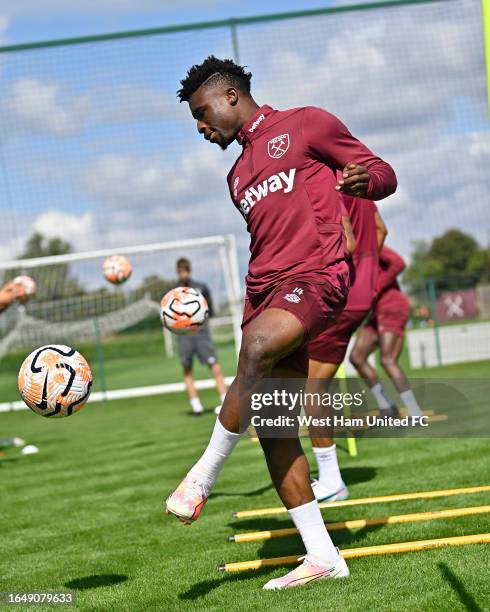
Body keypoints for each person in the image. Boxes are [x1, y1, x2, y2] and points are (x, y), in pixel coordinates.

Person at [165, 56, 396, 590]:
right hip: (264, 291)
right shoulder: (236, 174)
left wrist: (366, 182)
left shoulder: (307, 122)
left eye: (202, 114)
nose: (201, 127)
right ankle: (322, 556)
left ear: (229, 97)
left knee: (255, 349)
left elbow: (384, 172)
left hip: (317, 277)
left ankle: (203, 476)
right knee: (273, 429)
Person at [305, 195, 388, 502]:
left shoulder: (327, 183)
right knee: (314, 385)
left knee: (310, 388)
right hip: (363, 295)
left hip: (343, 296)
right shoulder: (360, 189)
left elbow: (346, 242)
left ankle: (331, 481)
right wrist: (365, 275)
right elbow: (380, 230)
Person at [349, 246, 423, 418]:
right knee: (357, 357)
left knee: (388, 360)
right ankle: (387, 407)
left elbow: (398, 263)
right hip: (376, 313)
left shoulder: (370, 245)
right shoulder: (345, 255)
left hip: (392, 307)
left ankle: (415, 413)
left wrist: (375, 289)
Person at [173, 257, 227, 415]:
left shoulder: (201, 288)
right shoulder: (174, 292)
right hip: (183, 336)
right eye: (180, 271)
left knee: (215, 367)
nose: (183, 274)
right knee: (187, 369)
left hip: (202, 334)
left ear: (189, 271)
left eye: (185, 271)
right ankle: (196, 405)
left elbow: (210, 311)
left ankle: (225, 401)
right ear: (178, 272)